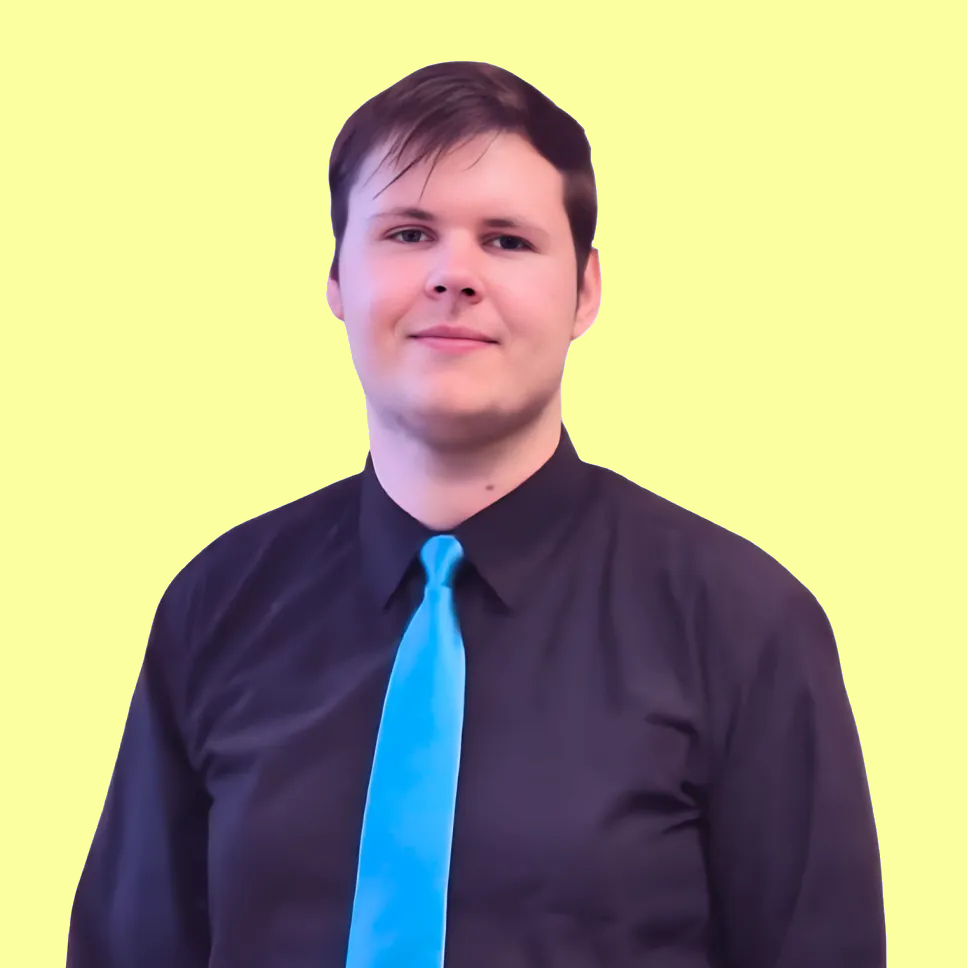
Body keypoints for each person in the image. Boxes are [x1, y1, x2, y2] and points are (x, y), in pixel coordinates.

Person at [68, 60, 886, 967]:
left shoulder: (741, 623)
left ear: (584, 291)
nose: (453, 275)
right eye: (408, 232)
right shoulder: (218, 605)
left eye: (506, 240)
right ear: (336, 279)